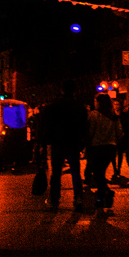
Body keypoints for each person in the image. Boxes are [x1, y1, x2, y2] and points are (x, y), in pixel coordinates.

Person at [38, 80, 90, 210]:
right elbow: (85, 126)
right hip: (73, 142)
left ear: (62, 90)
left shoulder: (53, 106)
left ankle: (54, 200)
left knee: (56, 173)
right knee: (75, 172)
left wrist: (43, 143)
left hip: (57, 142)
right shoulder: (79, 107)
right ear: (74, 91)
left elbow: (46, 125)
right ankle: (78, 199)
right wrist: (82, 142)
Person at [85, 93, 123, 214]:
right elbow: (120, 133)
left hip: (97, 148)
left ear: (99, 102)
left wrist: (87, 144)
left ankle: (104, 196)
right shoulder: (113, 116)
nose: (94, 103)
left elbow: (90, 132)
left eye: (95, 101)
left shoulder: (94, 115)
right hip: (110, 148)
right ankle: (103, 196)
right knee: (100, 173)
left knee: (98, 174)